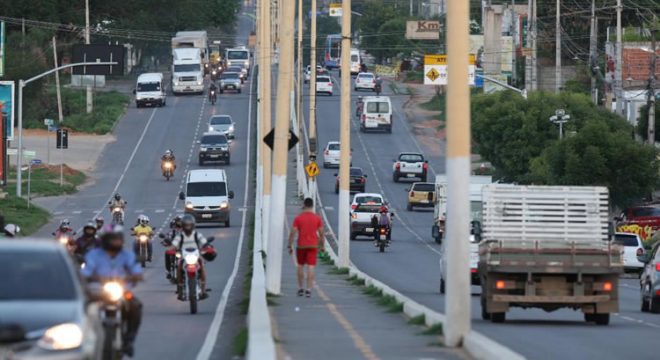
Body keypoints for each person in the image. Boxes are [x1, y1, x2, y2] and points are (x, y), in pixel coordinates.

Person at [82, 226, 143, 357]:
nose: (116, 242)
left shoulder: (127, 255)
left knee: (136, 307)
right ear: (105, 240)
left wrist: (135, 276)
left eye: (118, 239)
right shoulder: (94, 255)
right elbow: (85, 272)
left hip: (121, 291)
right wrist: (92, 277)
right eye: (113, 239)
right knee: (83, 309)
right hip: (98, 292)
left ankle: (129, 340)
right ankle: (83, 340)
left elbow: (136, 270)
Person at [287, 198, 325, 298]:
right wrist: (322, 246)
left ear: (304, 205)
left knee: (300, 266)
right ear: (312, 206)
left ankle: (300, 288)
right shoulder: (317, 218)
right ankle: (308, 289)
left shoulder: (298, 218)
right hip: (313, 245)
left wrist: (289, 245)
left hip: (301, 245)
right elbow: (321, 234)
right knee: (311, 267)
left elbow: (292, 233)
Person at [171, 215, 209, 300]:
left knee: (202, 266)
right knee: (179, 268)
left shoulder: (197, 235)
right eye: (186, 225)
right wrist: (171, 248)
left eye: (189, 225)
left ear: (193, 225)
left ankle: (203, 289)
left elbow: (204, 242)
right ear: (183, 226)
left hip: (196, 255)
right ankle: (180, 290)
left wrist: (208, 246)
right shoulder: (180, 236)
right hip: (184, 257)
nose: (188, 227)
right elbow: (174, 244)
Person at [163, 215, 183, 280]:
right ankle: (168, 271)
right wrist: (165, 241)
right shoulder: (172, 232)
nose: (180, 223)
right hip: (174, 249)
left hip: (184, 250)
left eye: (181, 221)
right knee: (167, 253)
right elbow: (166, 237)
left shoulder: (188, 231)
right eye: (178, 221)